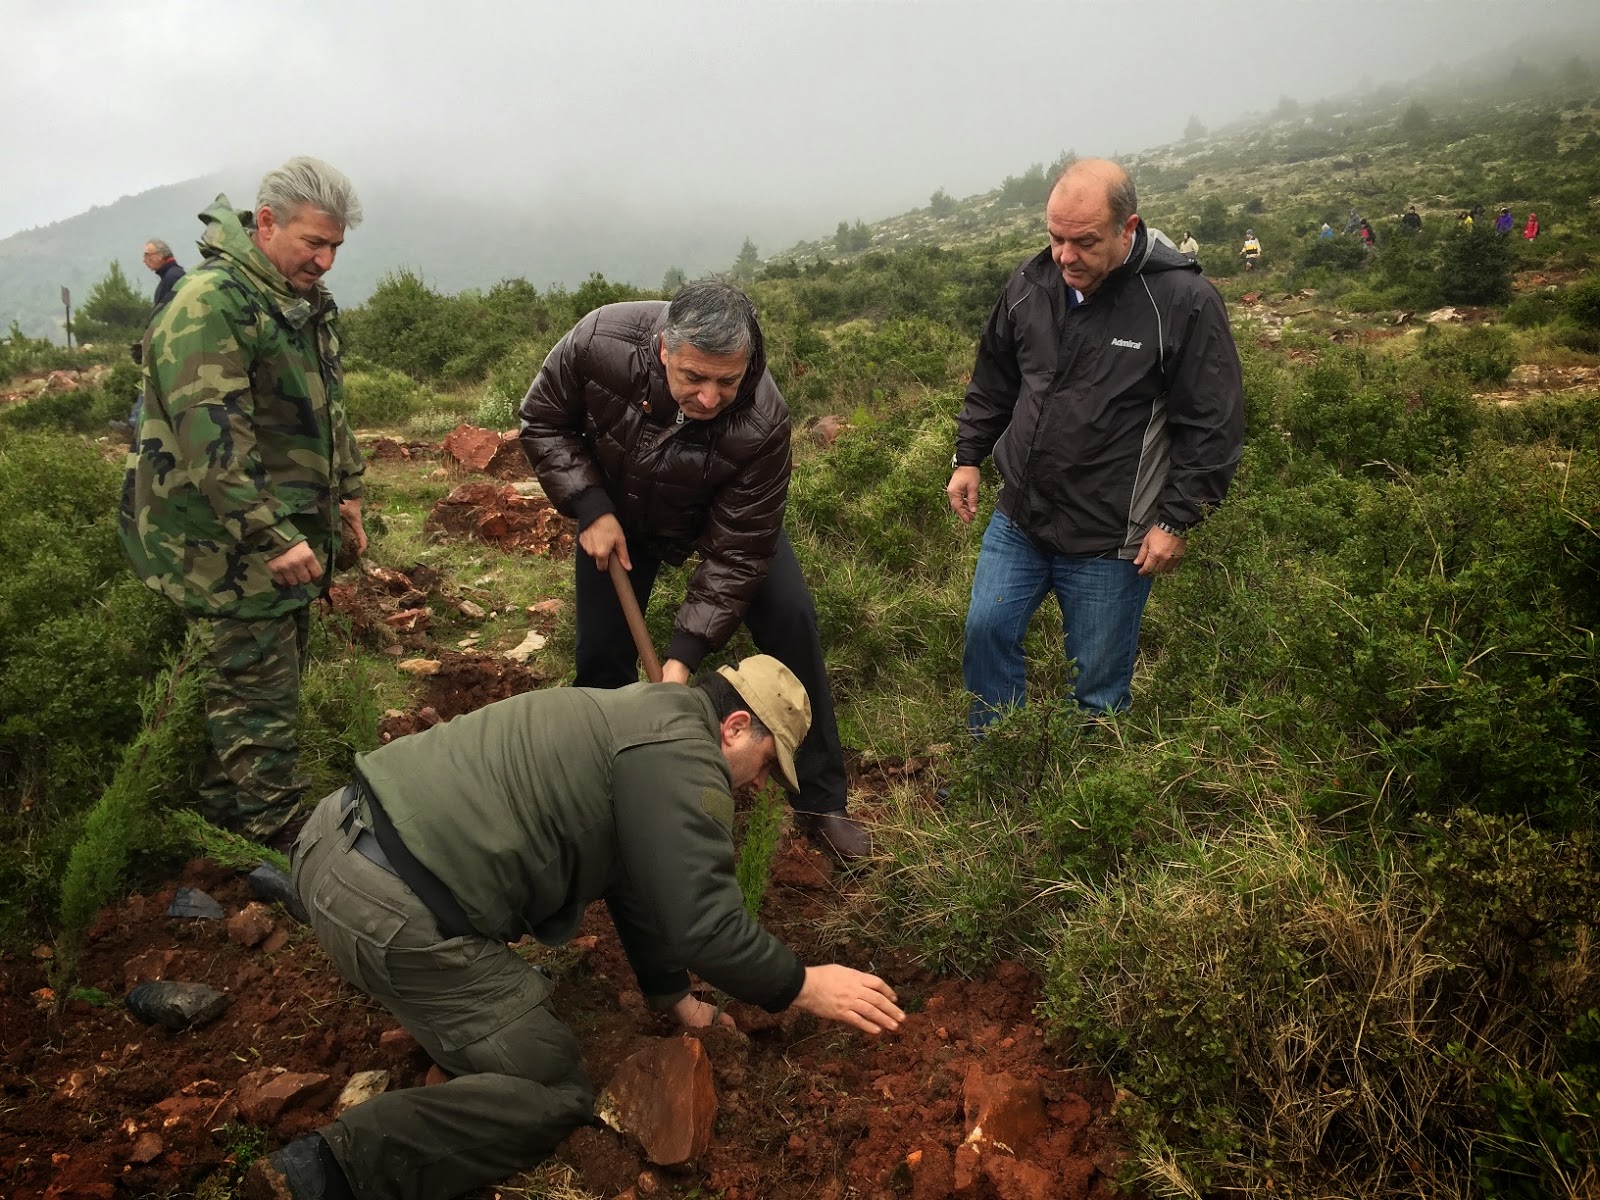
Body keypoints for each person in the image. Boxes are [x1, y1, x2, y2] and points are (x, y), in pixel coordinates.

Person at [242, 655, 904, 1200]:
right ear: (734, 726)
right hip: (386, 911)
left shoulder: (638, 713)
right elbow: (705, 925)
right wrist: (802, 984)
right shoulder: (686, 759)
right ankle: (326, 1170)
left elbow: (630, 879)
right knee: (553, 1087)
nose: (758, 784)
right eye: (765, 763)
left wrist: (671, 994)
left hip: (326, 837)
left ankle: (323, 909)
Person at [519, 280, 870, 861]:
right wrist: (589, 505)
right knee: (602, 654)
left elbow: (737, 554)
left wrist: (681, 659)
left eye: (725, 382)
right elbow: (542, 419)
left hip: (721, 518)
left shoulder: (763, 421)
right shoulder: (599, 340)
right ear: (663, 349)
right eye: (693, 378)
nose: (709, 398)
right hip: (619, 509)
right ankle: (593, 796)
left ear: (747, 364)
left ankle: (822, 800)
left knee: (792, 622)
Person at [119, 157, 367, 850]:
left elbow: (330, 406)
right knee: (257, 689)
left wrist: (348, 495)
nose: (323, 260)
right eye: (312, 243)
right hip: (224, 541)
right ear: (265, 223)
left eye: (334, 248)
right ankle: (277, 843)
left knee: (258, 680)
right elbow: (211, 436)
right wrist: (271, 535)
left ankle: (219, 814)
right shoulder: (212, 302)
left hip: (286, 526)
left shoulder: (298, 300)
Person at [945, 159, 1244, 731]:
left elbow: (1212, 424)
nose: (1065, 257)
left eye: (1084, 242)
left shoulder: (1183, 301)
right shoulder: (1031, 284)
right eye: (1055, 239)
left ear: (1127, 229)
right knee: (986, 633)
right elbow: (995, 378)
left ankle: (1086, 801)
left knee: (1098, 691)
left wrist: (1177, 519)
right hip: (1021, 518)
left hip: (1113, 537)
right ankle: (997, 764)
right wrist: (969, 456)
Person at [142, 238, 186, 311]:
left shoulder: (173, 277)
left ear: (160, 255)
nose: (144, 260)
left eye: (147, 255)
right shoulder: (172, 275)